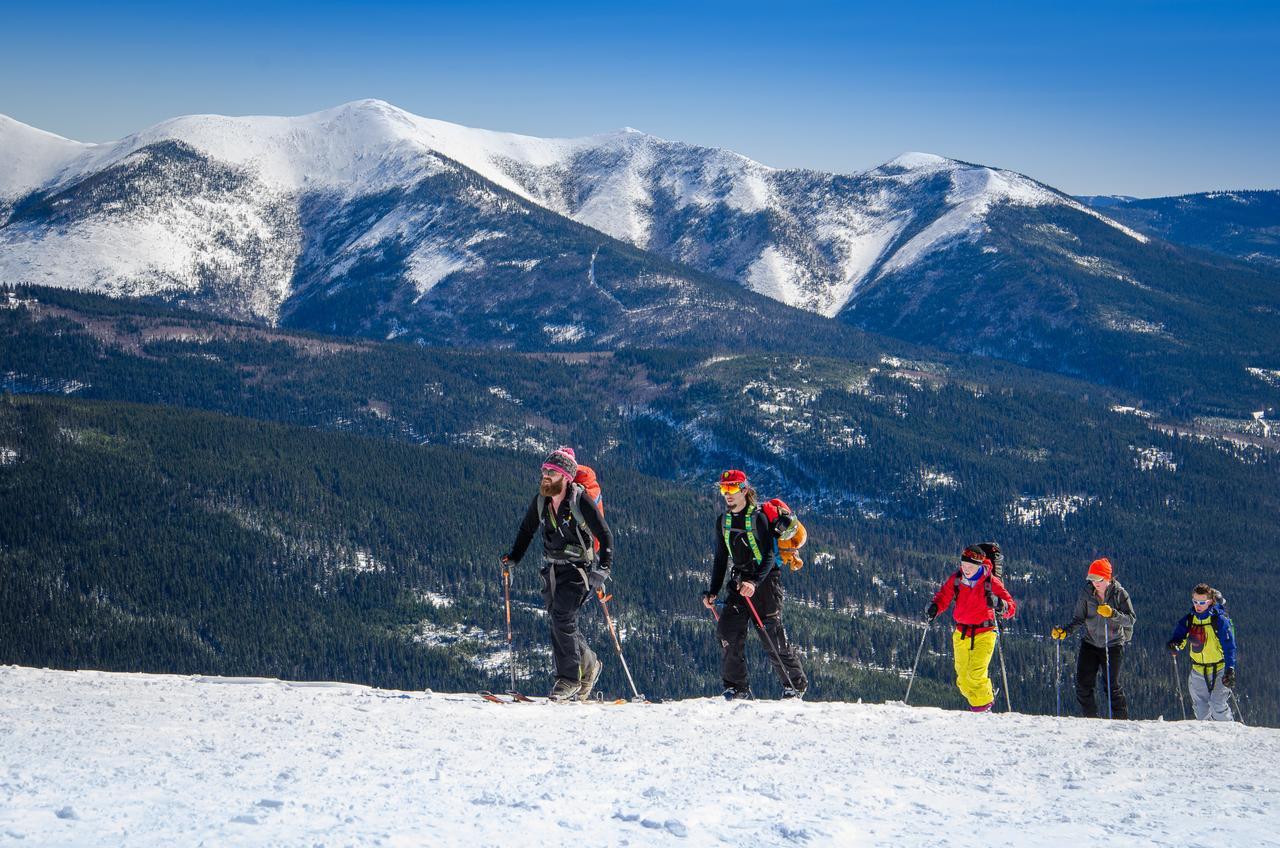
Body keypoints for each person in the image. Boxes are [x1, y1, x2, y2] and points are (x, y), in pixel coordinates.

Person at [502, 447, 612, 702]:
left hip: (578, 570)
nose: (545, 476)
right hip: (552, 568)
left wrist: (603, 569)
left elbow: (605, 535)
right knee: (559, 621)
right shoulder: (542, 500)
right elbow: (527, 530)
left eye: (551, 472)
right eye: (544, 471)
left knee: (562, 616)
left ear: (566, 477)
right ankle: (590, 664)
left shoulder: (579, 500)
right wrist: (514, 557)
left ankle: (569, 680)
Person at [702, 469, 807, 700]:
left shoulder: (758, 518)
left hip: (765, 582)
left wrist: (754, 581)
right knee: (727, 632)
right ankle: (736, 688)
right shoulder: (723, 522)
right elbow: (721, 558)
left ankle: (794, 685)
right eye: (723, 489)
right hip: (740, 582)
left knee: (771, 636)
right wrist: (712, 591)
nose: (727, 494)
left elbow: (769, 555)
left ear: (744, 490)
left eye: (731, 488)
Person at [926, 545, 1016, 712]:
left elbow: (1011, 607)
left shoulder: (991, 582)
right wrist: (935, 608)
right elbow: (943, 597)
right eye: (963, 565)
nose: (966, 569)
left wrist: (999, 604)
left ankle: (985, 706)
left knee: (975, 673)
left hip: (985, 633)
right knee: (962, 679)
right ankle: (978, 708)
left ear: (979, 566)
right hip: (961, 633)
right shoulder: (957, 579)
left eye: (970, 566)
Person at [1050, 557, 1136, 719]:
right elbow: (1079, 619)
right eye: (1092, 579)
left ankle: (1121, 722)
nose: (1095, 583)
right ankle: (1091, 720)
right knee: (1083, 685)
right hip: (1090, 644)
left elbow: (1130, 619)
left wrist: (1112, 613)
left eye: (1098, 579)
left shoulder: (1120, 594)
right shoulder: (1087, 594)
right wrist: (1065, 632)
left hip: (1113, 645)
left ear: (1108, 578)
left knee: (1112, 686)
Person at [1167, 584, 1237, 721]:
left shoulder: (1219, 621)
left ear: (1210, 601)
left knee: (1218, 706)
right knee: (1201, 710)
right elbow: (1179, 639)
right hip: (1198, 669)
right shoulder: (1189, 620)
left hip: (1220, 669)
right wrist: (1174, 646)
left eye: (1202, 602)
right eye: (1195, 601)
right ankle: (1207, 739)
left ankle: (1229, 736)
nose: (1198, 605)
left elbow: (1229, 646)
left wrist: (1230, 668)